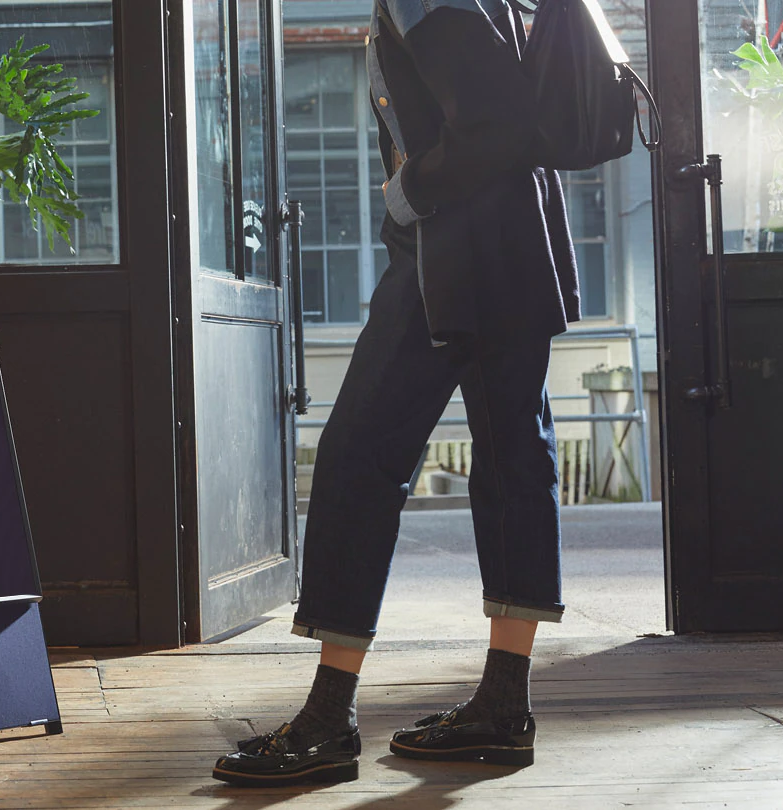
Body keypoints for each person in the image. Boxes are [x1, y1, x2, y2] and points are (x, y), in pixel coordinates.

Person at [212, 0, 581, 788]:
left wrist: (406, 190)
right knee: (513, 460)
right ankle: (503, 707)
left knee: (359, 460)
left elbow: (500, 122)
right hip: (512, 245)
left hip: (455, 251)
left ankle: (328, 719)